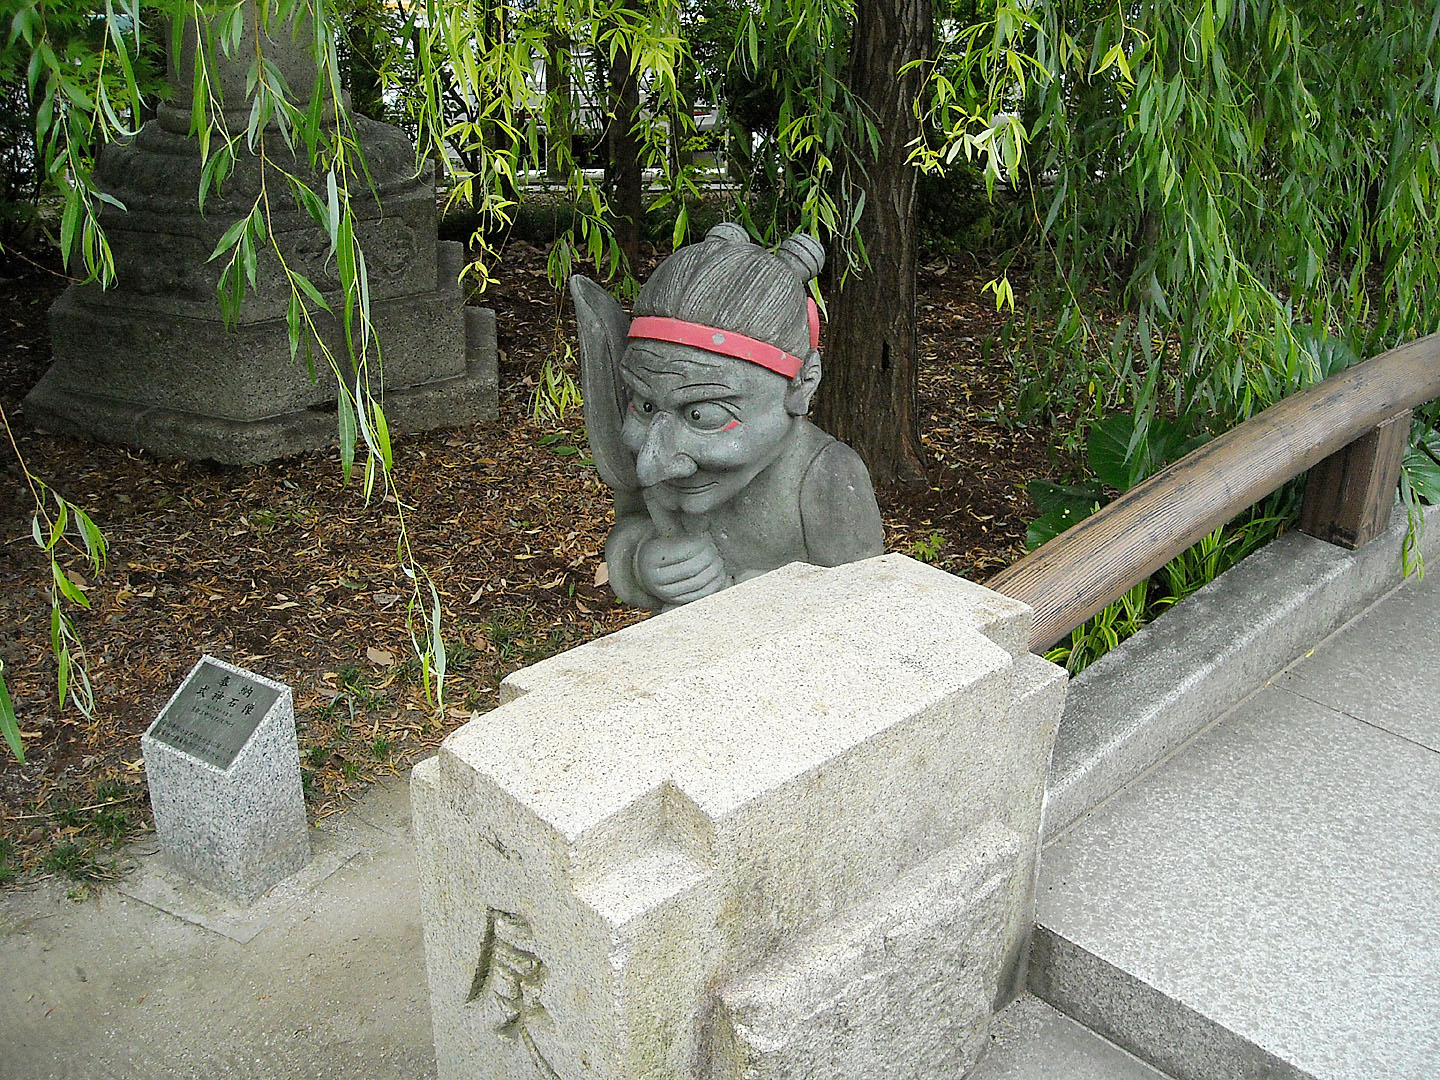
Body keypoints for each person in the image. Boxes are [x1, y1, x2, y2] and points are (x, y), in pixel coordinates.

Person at [572, 222, 884, 610]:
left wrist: (753, 594)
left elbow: (863, 607)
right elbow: (632, 521)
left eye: (702, 415)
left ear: (802, 385)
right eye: (645, 405)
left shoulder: (827, 476)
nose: (653, 465)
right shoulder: (659, 456)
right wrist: (642, 562)